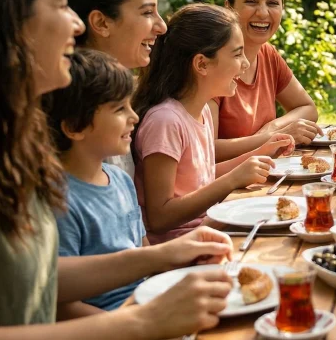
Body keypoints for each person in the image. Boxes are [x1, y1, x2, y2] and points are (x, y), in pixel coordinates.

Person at [0, 0, 232, 338]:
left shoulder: (10, 139)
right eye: (60, 7)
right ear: (5, 24)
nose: (76, 24)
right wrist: (142, 322)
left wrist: (163, 255)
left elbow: (40, 277)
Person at [45, 50, 236, 317]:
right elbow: (59, 303)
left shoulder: (121, 181)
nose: (134, 117)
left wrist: (190, 259)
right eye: (119, 109)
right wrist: (142, 324)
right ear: (75, 127)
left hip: (147, 306)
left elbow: (145, 256)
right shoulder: (59, 201)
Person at [133, 4, 293, 244]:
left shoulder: (202, 112)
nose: (245, 64)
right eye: (237, 54)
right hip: (181, 247)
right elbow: (160, 217)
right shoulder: (165, 122)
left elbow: (202, 178)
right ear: (202, 64)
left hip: (209, 229)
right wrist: (233, 180)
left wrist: (259, 153)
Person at [54, 0, 169, 176]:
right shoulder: (72, 103)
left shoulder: (114, 91)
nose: (162, 26)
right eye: (147, 12)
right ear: (101, 23)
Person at [211, 0, 321, 158]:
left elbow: (308, 109)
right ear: (229, 8)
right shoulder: (213, 61)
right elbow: (206, 150)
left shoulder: (267, 54)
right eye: (251, 1)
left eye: (272, 3)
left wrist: (273, 126)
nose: (263, 13)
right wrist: (272, 137)